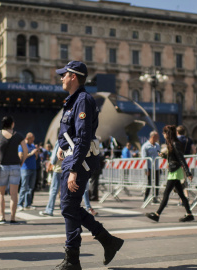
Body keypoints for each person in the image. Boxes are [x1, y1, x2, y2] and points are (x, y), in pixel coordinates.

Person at [54, 61, 123, 269]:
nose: (61, 78)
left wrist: (74, 168)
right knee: (70, 206)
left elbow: (83, 137)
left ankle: (74, 258)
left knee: (68, 206)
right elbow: (72, 131)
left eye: (63, 75)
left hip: (79, 161)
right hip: (72, 157)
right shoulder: (74, 100)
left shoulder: (82, 100)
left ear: (73, 76)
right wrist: (62, 145)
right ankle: (106, 241)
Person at [146, 125, 194, 222]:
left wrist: (188, 172)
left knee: (166, 193)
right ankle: (189, 214)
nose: (163, 134)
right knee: (181, 194)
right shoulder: (172, 143)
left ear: (168, 134)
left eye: (164, 132)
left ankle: (157, 214)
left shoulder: (175, 143)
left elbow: (181, 158)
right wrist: (164, 156)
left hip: (175, 171)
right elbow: (174, 157)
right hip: (174, 170)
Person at [0, 116, 27, 224]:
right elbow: (25, 150)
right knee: (14, 194)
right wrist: (22, 162)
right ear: (12, 124)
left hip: (2, 166)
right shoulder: (18, 135)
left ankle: (2, 216)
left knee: (0, 193)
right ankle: (13, 217)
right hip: (15, 166)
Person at [18, 132, 38, 211]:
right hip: (25, 168)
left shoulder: (32, 146)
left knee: (31, 188)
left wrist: (36, 154)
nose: (32, 141)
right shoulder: (22, 146)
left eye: (33, 140)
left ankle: (28, 204)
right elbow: (21, 156)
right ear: (27, 138)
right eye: (31, 140)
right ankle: (20, 204)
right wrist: (31, 153)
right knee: (24, 187)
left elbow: (35, 158)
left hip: (33, 168)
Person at [141, 131, 161, 203]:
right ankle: (146, 197)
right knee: (149, 183)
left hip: (156, 167)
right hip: (149, 167)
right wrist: (146, 169)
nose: (158, 138)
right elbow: (144, 159)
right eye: (157, 137)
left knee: (157, 183)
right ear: (153, 137)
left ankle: (155, 197)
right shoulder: (145, 146)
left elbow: (159, 154)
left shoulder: (157, 146)